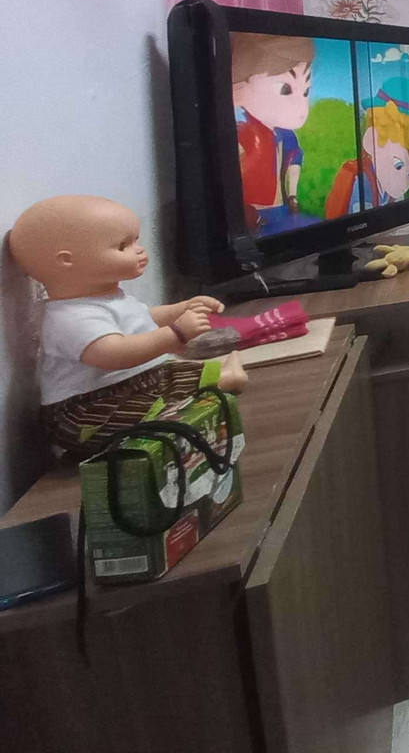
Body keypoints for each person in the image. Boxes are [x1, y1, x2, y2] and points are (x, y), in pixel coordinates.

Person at [6, 195, 247, 456]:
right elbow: (113, 354)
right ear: (66, 261)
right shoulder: (71, 317)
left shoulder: (105, 296)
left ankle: (221, 377)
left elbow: (140, 318)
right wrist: (175, 333)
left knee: (171, 375)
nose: (139, 251)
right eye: (123, 246)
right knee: (158, 411)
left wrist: (181, 309)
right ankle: (221, 382)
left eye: (136, 240)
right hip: (89, 409)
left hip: (132, 383)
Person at [231, 34, 315, 235]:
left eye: (305, 92)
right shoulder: (239, 135)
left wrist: (292, 196)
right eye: (285, 89)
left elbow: (294, 160)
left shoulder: (286, 136)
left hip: (280, 211)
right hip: (254, 218)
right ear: (238, 89)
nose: (302, 108)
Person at [325, 85, 409, 219]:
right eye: (398, 166)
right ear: (371, 140)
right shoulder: (361, 182)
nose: (404, 184)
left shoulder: (393, 188)